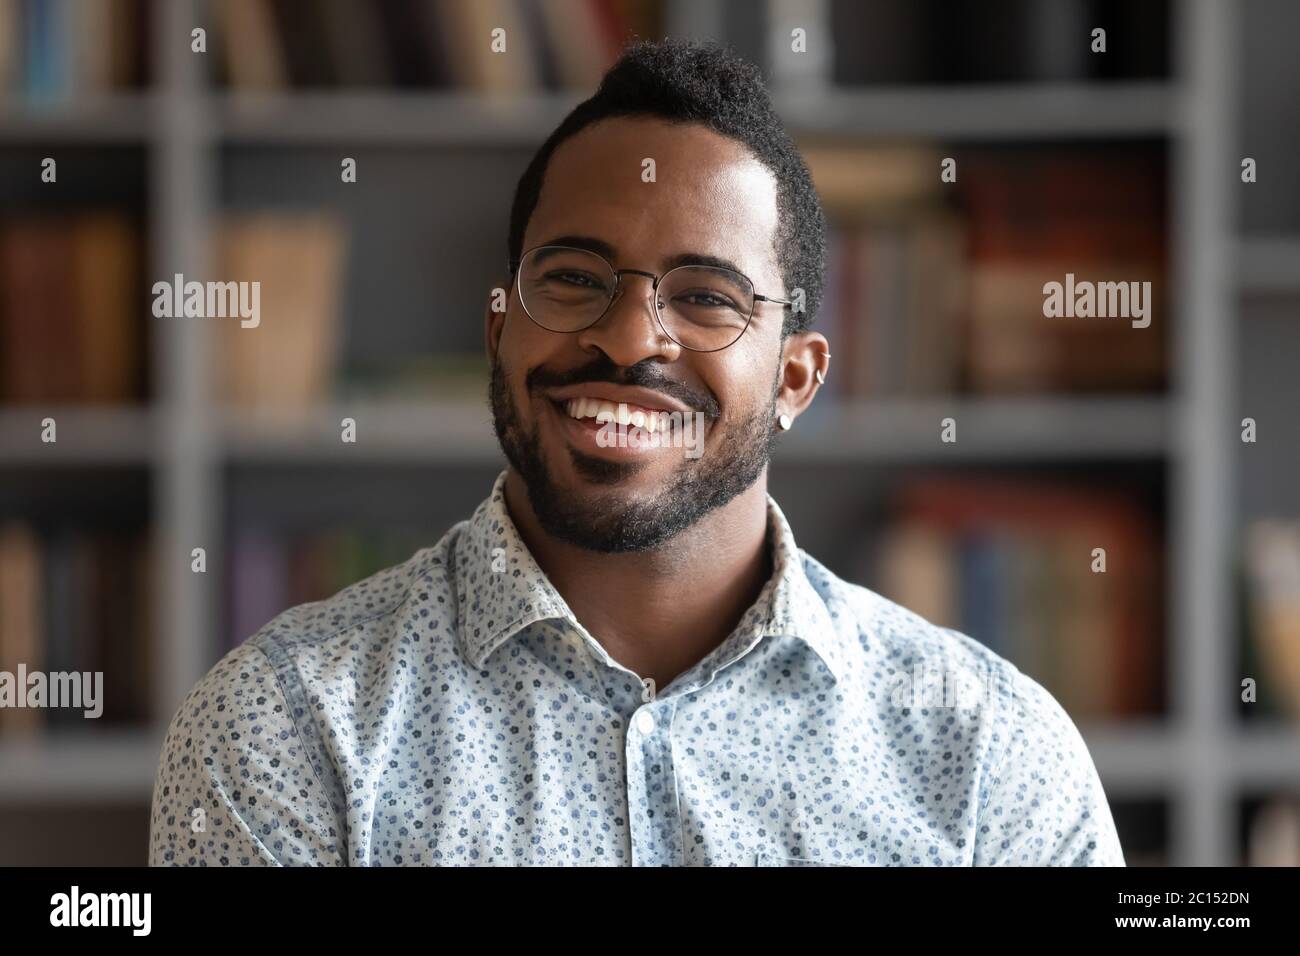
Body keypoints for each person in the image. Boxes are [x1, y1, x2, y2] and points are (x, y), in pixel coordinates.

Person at [149, 38, 1124, 867]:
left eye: (705, 295)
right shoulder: (282, 722)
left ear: (795, 377)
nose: (627, 338)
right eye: (574, 277)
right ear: (498, 333)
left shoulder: (991, 748)